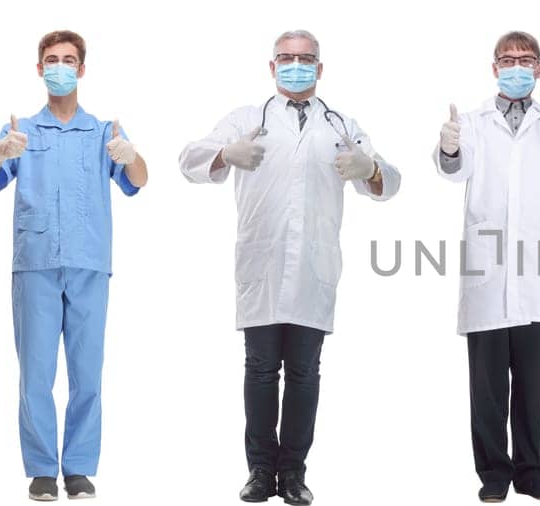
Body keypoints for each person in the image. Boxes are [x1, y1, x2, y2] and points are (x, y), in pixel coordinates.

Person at [179, 29, 402, 506]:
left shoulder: (340, 124)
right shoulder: (246, 118)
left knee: (304, 372)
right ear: (272, 65)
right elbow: (187, 160)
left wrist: (371, 169)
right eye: (287, 57)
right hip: (262, 262)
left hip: (314, 268)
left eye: (306, 59)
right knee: (260, 369)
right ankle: (260, 473)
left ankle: (294, 475)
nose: (296, 64)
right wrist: (225, 154)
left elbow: (390, 182)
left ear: (320, 69)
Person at [0, 30, 148, 502]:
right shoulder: (21, 130)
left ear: (83, 69)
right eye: (52, 59)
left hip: (89, 263)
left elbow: (138, 180)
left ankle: (79, 467)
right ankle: (42, 470)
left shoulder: (103, 131)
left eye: (69, 60)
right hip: (35, 264)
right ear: (39, 68)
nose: (60, 67)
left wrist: (132, 157)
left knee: (87, 372)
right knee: (35, 374)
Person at [435, 30, 540, 503]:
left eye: (525, 59)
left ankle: (531, 472)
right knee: (487, 388)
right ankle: (493, 474)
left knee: (531, 384)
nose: (516, 66)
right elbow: (453, 170)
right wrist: (449, 146)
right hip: (488, 273)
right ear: (493, 68)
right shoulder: (471, 122)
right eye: (507, 59)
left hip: (537, 273)